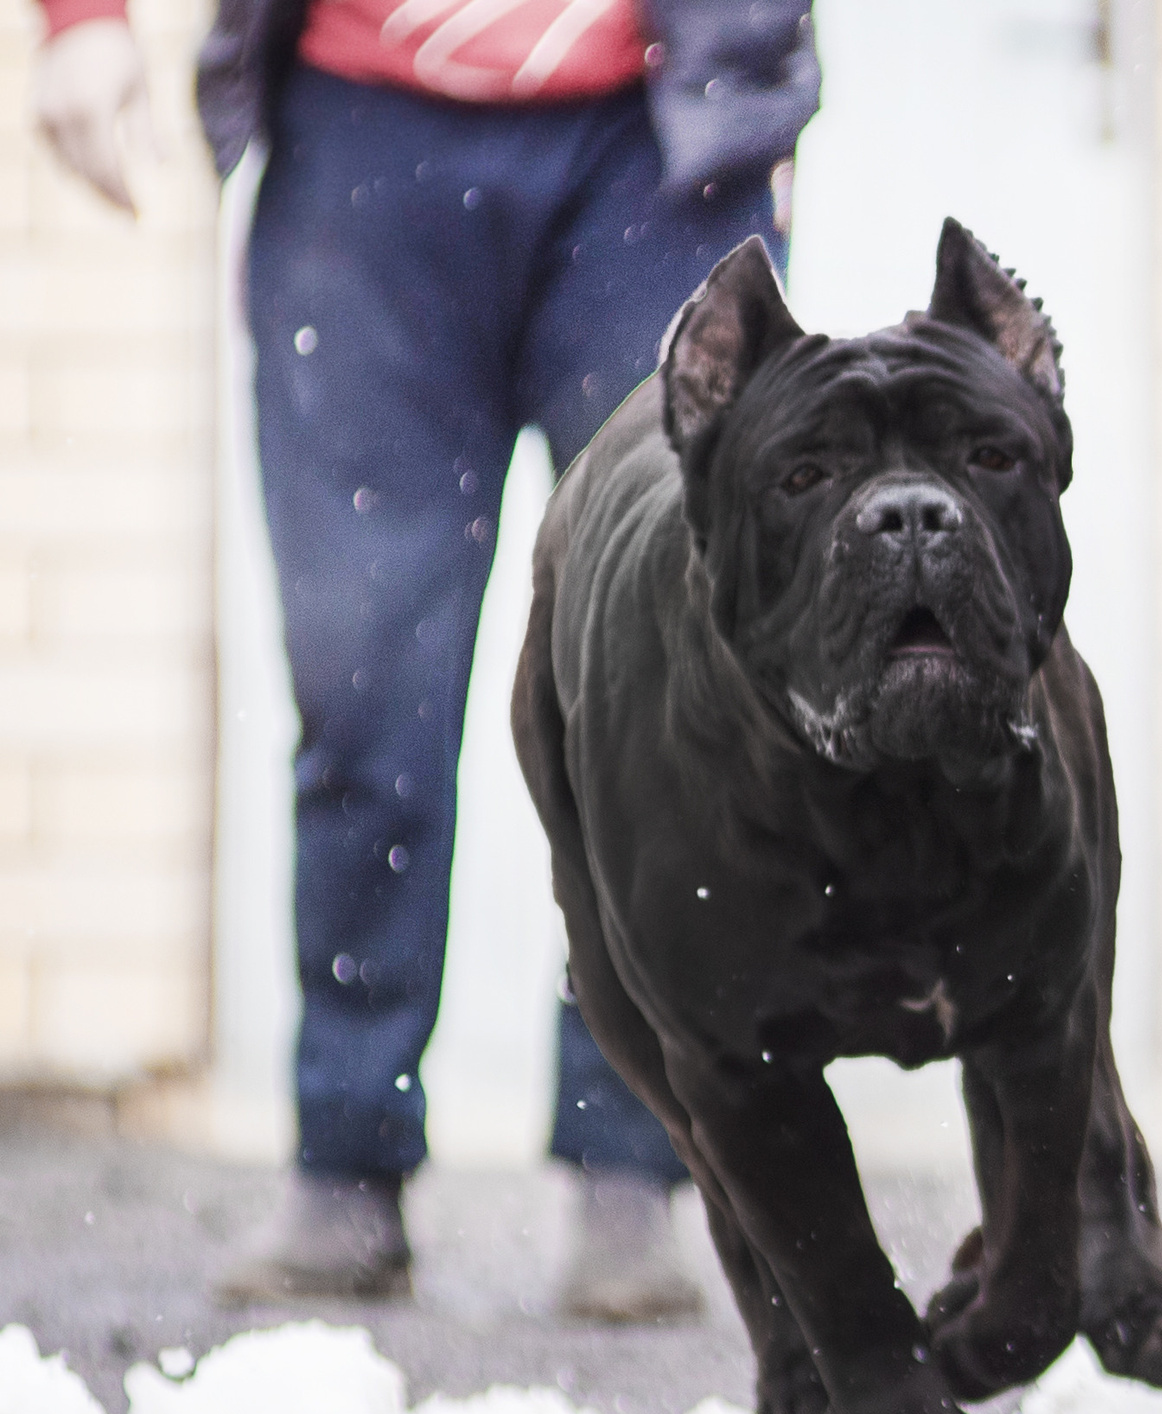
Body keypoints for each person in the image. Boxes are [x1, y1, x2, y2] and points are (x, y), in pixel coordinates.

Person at [27, 0, 818, 1319]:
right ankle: (348, 1162)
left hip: (658, 143)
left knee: (661, 679)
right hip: (361, 144)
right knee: (365, 691)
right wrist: (81, 20)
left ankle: (633, 1167)